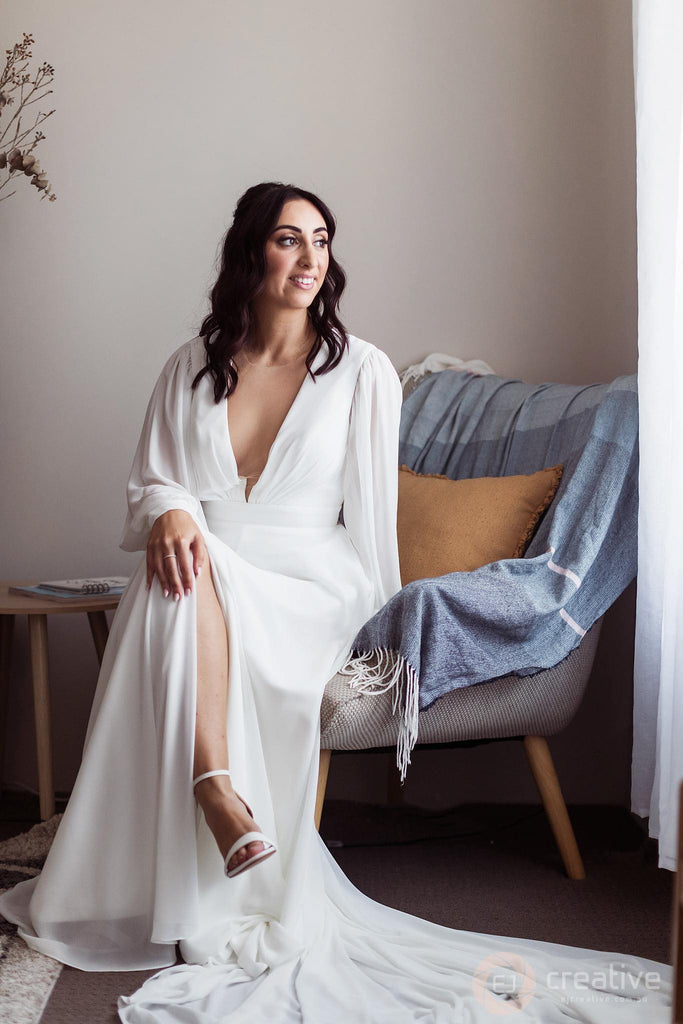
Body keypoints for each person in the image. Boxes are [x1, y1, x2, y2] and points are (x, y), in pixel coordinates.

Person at [0, 182, 671, 1022]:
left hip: (316, 579)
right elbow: (153, 482)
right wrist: (172, 508)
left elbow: (371, 525)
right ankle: (214, 791)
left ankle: (212, 793)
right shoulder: (190, 366)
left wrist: (382, 624)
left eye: (321, 239)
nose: (311, 256)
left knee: (183, 577)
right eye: (289, 239)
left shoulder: (361, 370)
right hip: (205, 568)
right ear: (251, 254)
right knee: (179, 571)